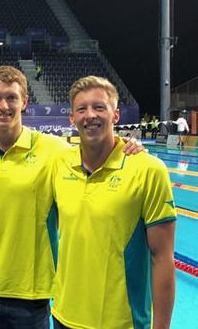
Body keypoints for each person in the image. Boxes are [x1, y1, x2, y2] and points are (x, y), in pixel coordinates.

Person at [0, 66, 145, 328]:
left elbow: (96, 152)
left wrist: (128, 145)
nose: (4, 105)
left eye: (12, 97)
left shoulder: (55, 151)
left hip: (32, 293)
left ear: (25, 102)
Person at [51, 76, 176, 329]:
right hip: (63, 316)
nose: (90, 115)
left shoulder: (148, 170)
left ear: (116, 115)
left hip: (122, 321)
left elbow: (162, 258)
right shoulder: (58, 164)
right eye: (81, 109)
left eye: (99, 107)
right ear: (71, 119)